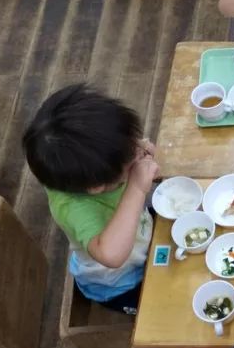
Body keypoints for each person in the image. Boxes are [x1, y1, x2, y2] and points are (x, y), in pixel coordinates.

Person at [22, 84, 156, 314]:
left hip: (143, 239)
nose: (137, 149)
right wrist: (136, 188)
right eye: (129, 157)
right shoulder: (74, 208)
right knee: (164, 309)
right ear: (96, 187)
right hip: (120, 281)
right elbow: (111, 255)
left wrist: (138, 152)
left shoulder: (86, 167)